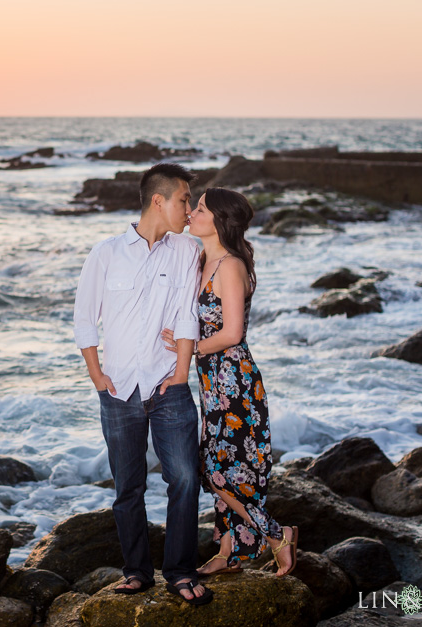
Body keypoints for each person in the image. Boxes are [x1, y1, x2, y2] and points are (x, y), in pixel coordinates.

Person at [73, 163, 212, 605]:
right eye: (185, 199)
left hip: (168, 384)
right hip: (118, 390)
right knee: (127, 486)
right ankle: (136, 571)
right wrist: (98, 376)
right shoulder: (107, 252)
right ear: (159, 200)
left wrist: (183, 370)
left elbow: (188, 314)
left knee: (186, 479)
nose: (188, 209)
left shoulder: (187, 251)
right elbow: (83, 317)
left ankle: (180, 571)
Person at [161, 187, 298, 579]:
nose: (191, 213)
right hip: (214, 383)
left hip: (236, 382)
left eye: (200, 208)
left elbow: (233, 333)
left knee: (215, 470)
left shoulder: (231, 266)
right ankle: (228, 552)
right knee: (228, 467)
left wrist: (187, 350)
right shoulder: (203, 258)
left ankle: (278, 534)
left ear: (220, 219)